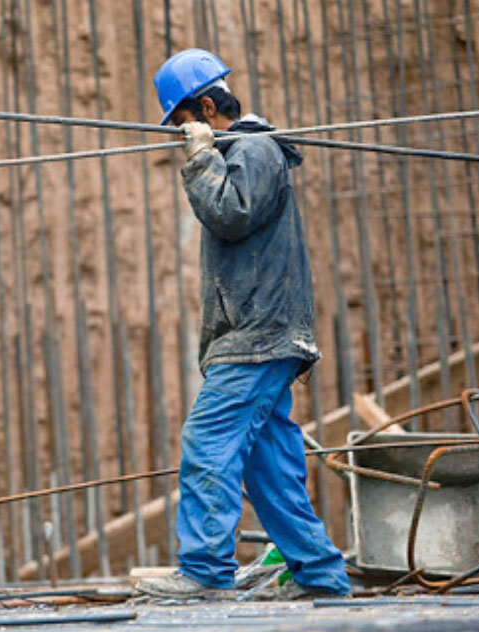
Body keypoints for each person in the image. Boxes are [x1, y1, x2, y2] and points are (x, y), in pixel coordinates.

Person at [136, 49, 351, 601]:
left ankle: (205, 571)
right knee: (270, 466)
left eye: (183, 123)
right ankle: (320, 575)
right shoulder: (245, 151)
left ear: (206, 106)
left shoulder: (255, 149)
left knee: (208, 442)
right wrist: (210, 154)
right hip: (262, 333)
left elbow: (229, 216)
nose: (178, 137)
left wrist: (202, 159)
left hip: (256, 336)